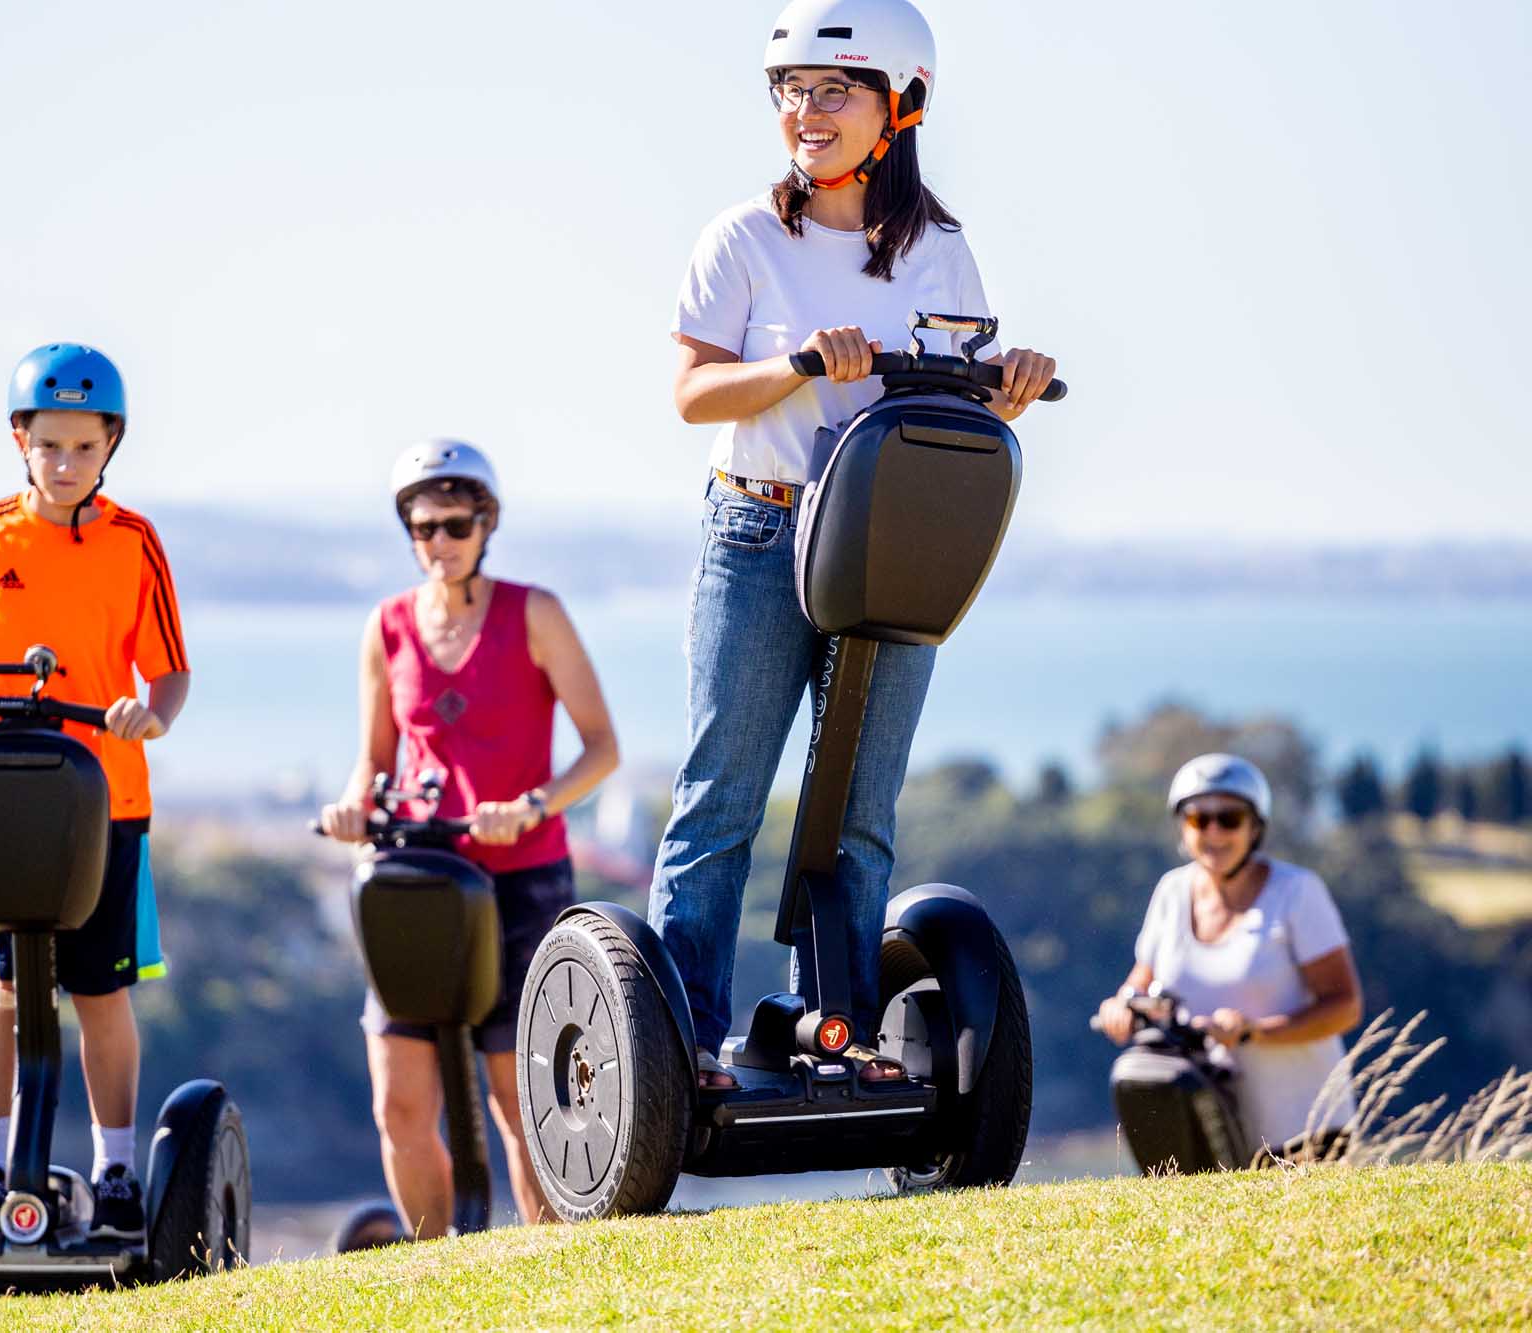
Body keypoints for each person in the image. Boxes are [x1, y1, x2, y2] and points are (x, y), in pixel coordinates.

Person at [648, 0, 1060, 1089]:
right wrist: (794, 365)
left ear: (901, 105)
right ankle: (684, 1039)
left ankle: (836, 1026)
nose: (804, 111)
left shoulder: (941, 253)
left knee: (860, 808)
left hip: (887, 537)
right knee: (721, 796)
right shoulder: (741, 238)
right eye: (789, 90)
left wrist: (1004, 389)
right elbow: (690, 393)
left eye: (833, 90)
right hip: (760, 526)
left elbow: (952, 405)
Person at [0, 343, 191, 1238]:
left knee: (102, 993)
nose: (66, 464)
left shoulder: (133, 542)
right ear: (19, 440)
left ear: (112, 444)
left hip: (108, 797)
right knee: (4, 990)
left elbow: (171, 671)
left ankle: (114, 1176)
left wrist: (152, 714)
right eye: (49, 445)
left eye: (84, 446)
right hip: (5, 793)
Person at [319, 440, 619, 1236]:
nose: (439, 543)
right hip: (415, 878)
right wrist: (353, 807)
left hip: (521, 876)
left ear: (486, 524)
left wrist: (533, 802)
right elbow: (373, 762)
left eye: (455, 525)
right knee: (399, 1100)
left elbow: (601, 748)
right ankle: (434, 1268)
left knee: (521, 1094)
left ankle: (549, 1258)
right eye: (423, 529)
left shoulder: (536, 613)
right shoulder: (386, 627)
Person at [1096, 754, 1364, 1159]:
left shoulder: (1297, 893)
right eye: (1198, 819)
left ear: (1255, 827)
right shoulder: (1171, 892)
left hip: (1304, 1129)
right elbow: (1143, 978)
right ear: (1183, 828)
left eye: (1230, 818)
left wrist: (1253, 1032)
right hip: (1208, 1126)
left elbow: (1344, 1006)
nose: (1214, 831)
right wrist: (1122, 1003)